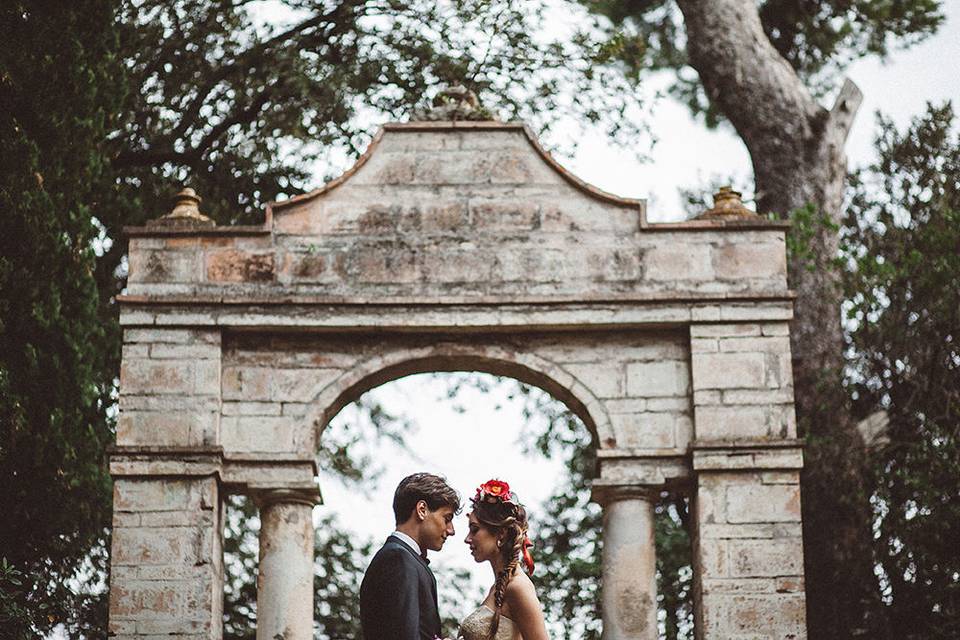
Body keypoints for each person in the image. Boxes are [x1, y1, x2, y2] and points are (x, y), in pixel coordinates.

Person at [359, 472, 461, 640]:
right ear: (422, 510)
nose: (451, 530)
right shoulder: (397, 559)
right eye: (447, 518)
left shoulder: (403, 557)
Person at [458, 479, 549, 640]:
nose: (467, 539)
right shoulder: (499, 586)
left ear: (501, 534)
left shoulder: (518, 587)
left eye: (474, 530)